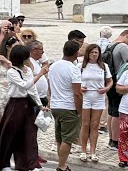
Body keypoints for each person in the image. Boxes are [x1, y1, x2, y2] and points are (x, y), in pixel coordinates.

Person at [0, 43, 49, 171]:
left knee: (29, 135)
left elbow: (32, 90)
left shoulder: (27, 70)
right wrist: (40, 75)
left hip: (28, 105)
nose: (29, 59)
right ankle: (3, 164)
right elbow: (24, 85)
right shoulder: (12, 72)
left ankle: (29, 164)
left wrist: (39, 105)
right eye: (27, 56)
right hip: (16, 105)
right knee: (9, 135)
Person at [47, 40, 83, 171]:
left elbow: (50, 87)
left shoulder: (53, 66)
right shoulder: (73, 69)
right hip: (69, 106)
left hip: (56, 105)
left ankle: (62, 163)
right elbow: (77, 93)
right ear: (76, 53)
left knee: (60, 137)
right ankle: (61, 165)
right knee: (67, 139)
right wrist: (79, 111)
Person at [79, 43, 115, 162]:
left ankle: (93, 151)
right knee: (85, 124)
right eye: (92, 52)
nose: (94, 54)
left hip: (98, 97)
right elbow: (74, 81)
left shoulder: (103, 66)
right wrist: (80, 88)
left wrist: (106, 88)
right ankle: (83, 150)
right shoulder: (81, 66)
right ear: (88, 53)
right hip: (86, 96)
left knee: (95, 125)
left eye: (96, 52)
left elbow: (110, 81)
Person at [106, 30, 128, 149]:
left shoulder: (110, 45)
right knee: (117, 112)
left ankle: (111, 138)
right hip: (118, 80)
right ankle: (116, 140)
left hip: (109, 79)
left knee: (111, 109)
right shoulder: (123, 47)